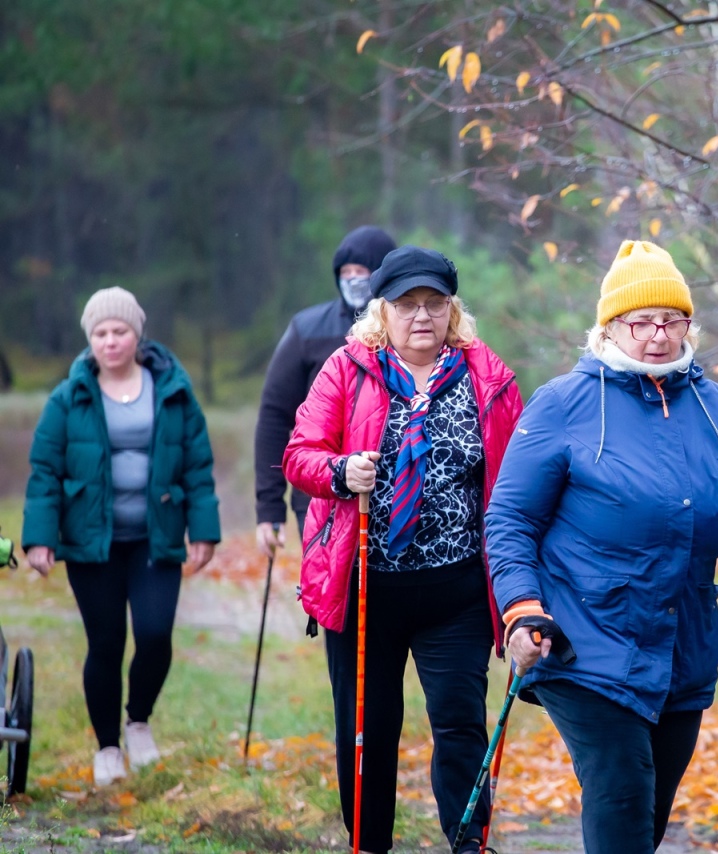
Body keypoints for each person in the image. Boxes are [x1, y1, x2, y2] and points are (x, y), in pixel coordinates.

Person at [484, 240, 718, 853]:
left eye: (671, 320)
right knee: (624, 800)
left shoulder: (715, 407)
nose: (658, 335)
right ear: (611, 326)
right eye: (641, 322)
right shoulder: (564, 404)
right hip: (583, 641)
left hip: (682, 645)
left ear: (688, 324)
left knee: (647, 818)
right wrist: (521, 608)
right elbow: (510, 520)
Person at [283, 246, 523, 854]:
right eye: (408, 305)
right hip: (367, 590)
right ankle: (369, 843)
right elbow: (300, 454)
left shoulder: (487, 377)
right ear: (381, 311)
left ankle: (470, 842)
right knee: (367, 730)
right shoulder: (346, 369)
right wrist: (340, 472)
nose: (422, 316)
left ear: (452, 310)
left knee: (461, 723)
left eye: (434, 304)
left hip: (458, 593)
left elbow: (519, 475)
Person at [22, 287, 221, 787]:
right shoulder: (68, 398)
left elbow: (197, 462)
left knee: (155, 635)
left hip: (155, 536)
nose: (111, 341)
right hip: (93, 542)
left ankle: (138, 721)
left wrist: (205, 530)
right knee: (106, 643)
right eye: (100, 333)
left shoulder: (172, 387)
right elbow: (44, 471)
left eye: (120, 331)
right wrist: (39, 539)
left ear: (138, 333)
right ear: (90, 340)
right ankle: (108, 746)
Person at [254, 225, 396, 557]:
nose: (352, 280)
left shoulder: (411, 333)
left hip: (393, 491)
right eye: (345, 272)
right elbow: (275, 416)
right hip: (320, 495)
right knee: (333, 591)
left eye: (362, 271)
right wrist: (269, 506)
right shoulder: (308, 330)